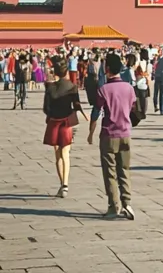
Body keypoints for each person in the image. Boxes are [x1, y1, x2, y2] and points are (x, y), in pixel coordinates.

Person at [88, 52, 136, 219]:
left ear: (107, 69)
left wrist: (91, 131)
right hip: (126, 133)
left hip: (109, 134)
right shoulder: (129, 88)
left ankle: (113, 206)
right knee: (124, 169)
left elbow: (96, 111)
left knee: (110, 172)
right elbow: (133, 108)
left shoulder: (104, 90)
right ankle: (127, 203)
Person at [43, 56, 83, 197]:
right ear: (66, 72)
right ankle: (65, 185)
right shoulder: (72, 87)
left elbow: (46, 109)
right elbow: (76, 105)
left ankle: (62, 184)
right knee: (65, 153)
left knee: (57, 154)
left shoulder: (50, 87)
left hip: (54, 121)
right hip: (66, 123)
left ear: (55, 72)